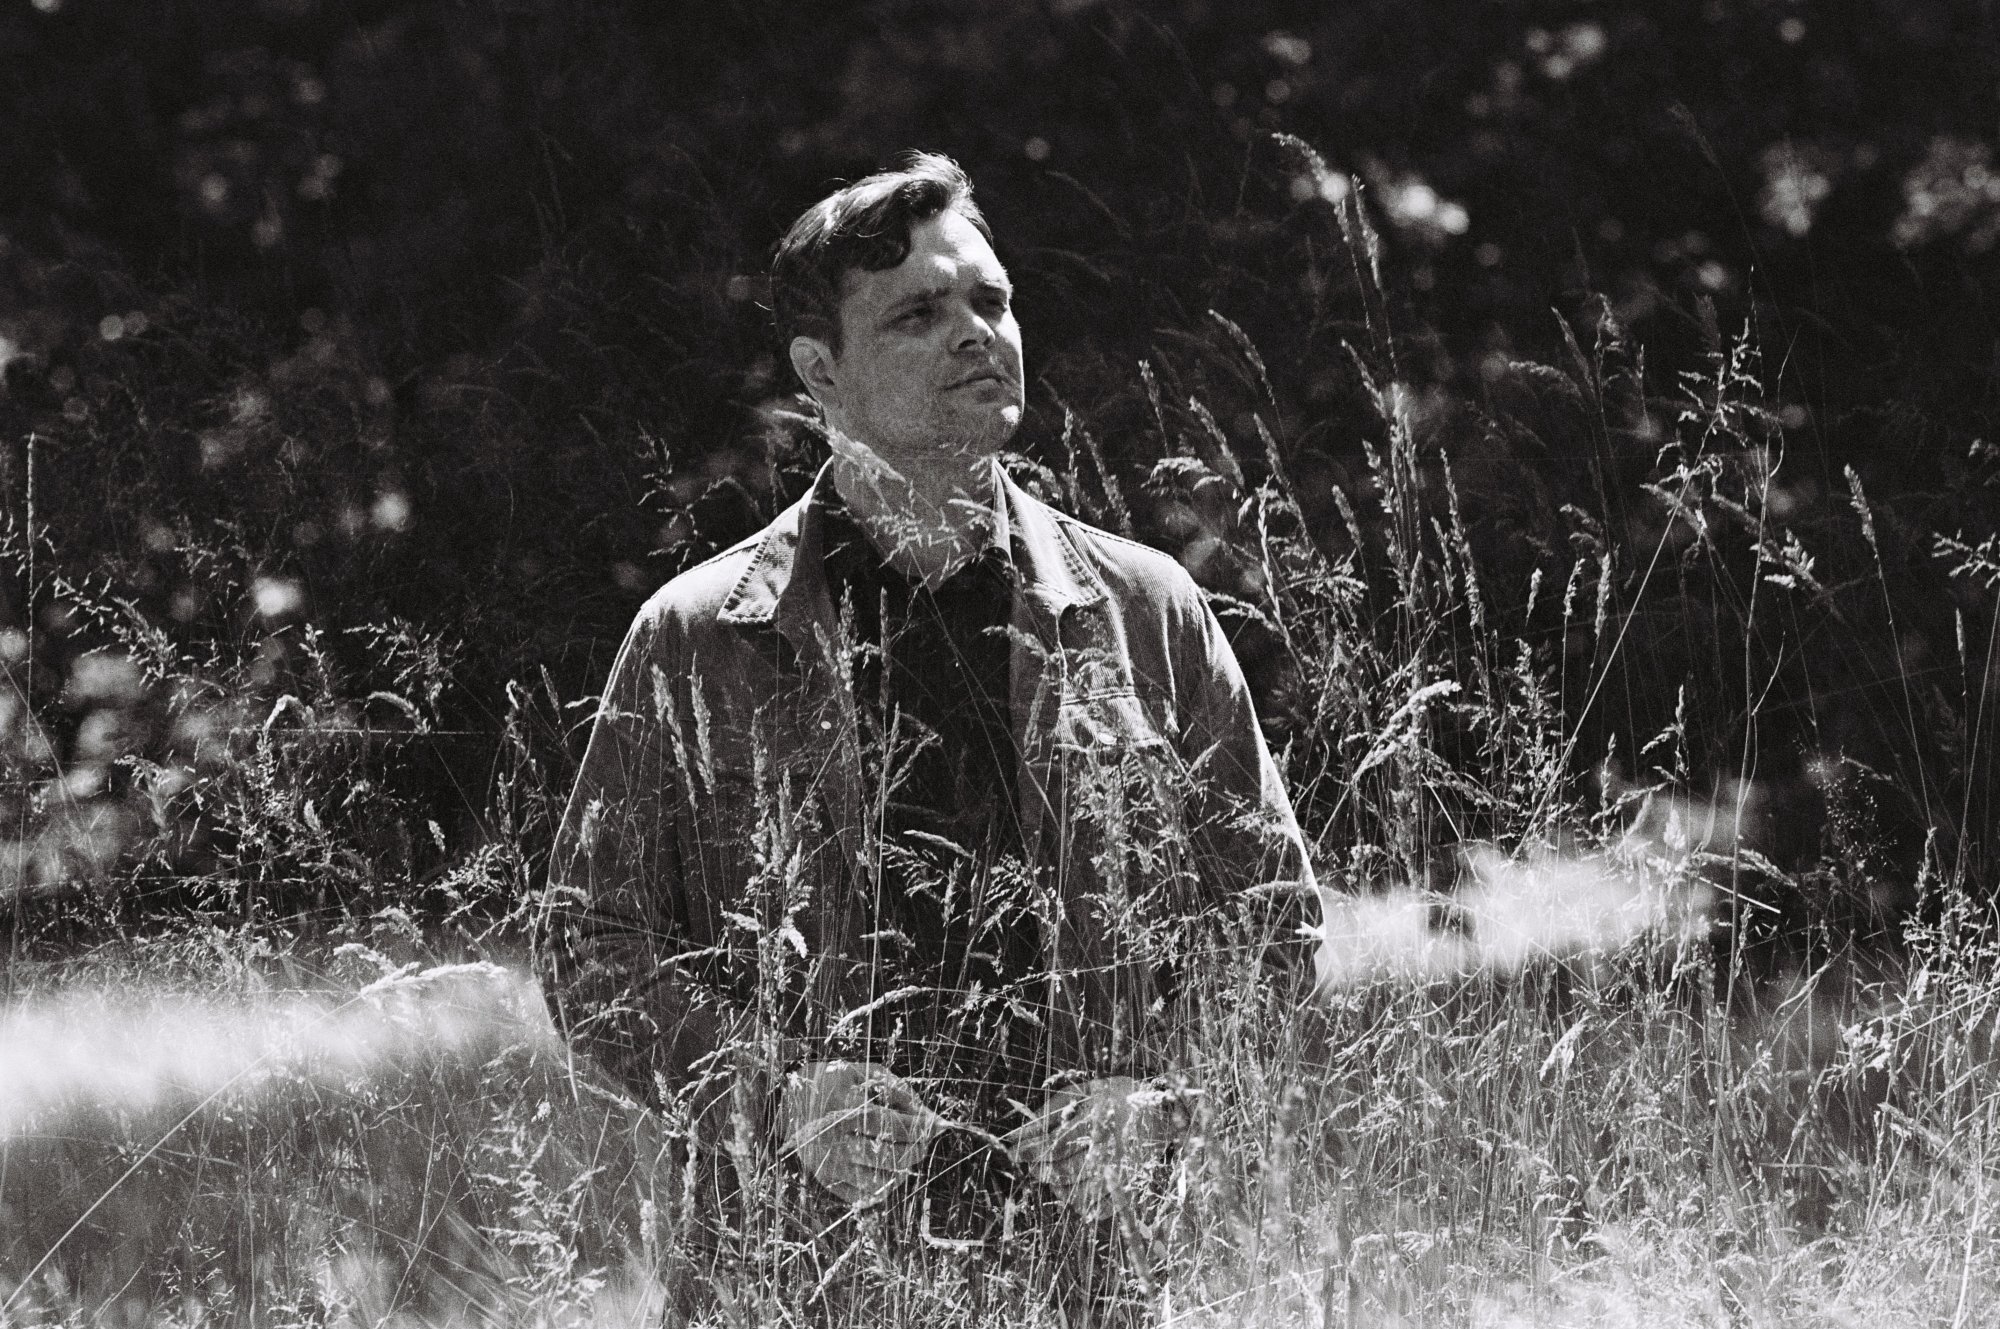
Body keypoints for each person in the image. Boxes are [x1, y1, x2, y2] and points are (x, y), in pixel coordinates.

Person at [536, 151, 1326, 1307]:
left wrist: (1165, 1104)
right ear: (820, 371)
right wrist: (771, 1098)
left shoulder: (1141, 607)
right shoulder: (698, 635)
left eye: (990, 301)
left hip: (1085, 1268)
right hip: (795, 1274)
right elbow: (586, 949)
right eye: (917, 314)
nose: (975, 335)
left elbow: (1268, 924)